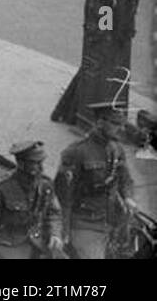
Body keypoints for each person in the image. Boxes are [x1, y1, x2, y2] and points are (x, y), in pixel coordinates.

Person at [54, 102, 137, 259]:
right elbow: (62, 197)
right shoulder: (76, 152)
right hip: (85, 223)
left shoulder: (117, 149)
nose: (120, 128)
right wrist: (63, 232)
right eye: (115, 123)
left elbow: (125, 178)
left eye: (122, 123)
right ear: (100, 122)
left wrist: (128, 197)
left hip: (112, 218)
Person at [0, 139, 65, 259]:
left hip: (37, 242)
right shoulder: (0, 189)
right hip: (7, 246)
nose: (41, 167)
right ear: (21, 164)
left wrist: (55, 233)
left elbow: (54, 212)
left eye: (41, 162)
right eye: (35, 163)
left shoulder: (45, 185)